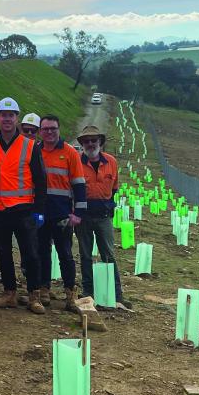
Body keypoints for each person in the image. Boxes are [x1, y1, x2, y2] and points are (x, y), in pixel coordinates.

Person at [0, 97, 47, 314]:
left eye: (11, 115)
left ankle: (34, 295)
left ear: (16, 118)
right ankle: (9, 293)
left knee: (30, 253)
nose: (7, 119)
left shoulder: (30, 146)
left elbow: (40, 180)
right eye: (3, 115)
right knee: (3, 252)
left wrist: (39, 210)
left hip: (23, 209)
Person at [35, 115, 87, 312]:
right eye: (45, 129)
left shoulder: (70, 153)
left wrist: (79, 213)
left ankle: (70, 292)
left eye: (53, 128)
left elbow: (79, 184)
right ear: (40, 131)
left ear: (59, 129)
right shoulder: (36, 151)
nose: (49, 132)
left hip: (63, 214)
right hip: (41, 212)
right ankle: (44, 288)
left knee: (65, 254)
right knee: (42, 251)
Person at [74, 125, 128, 309]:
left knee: (109, 255)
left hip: (104, 216)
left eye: (93, 140)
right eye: (86, 141)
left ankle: (116, 294)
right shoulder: (76, 162)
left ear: (100, 142)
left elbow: (114, 188)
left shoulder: (111, 162)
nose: (90, 144)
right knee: (85, 255)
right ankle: (88, 293)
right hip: (83, 217)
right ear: (81, 144)